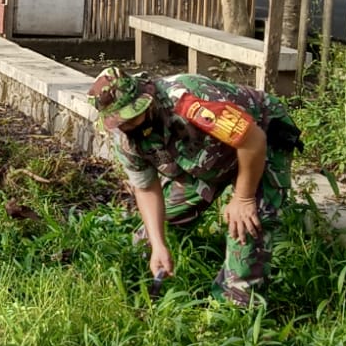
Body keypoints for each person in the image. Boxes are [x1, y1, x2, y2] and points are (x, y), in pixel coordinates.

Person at [89, 67, 303, 307]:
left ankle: (234, 311)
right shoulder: (126, 138)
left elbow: (252, 140)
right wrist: (158, 245)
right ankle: (149, 273)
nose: (127, 124)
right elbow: (147, 188)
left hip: (261, 141)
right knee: (148, 237)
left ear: (145, 98)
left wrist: (243, 198)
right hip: (208, 158)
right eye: (121, 121)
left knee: (247, 225)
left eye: (132, 115)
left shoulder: (189, 102)